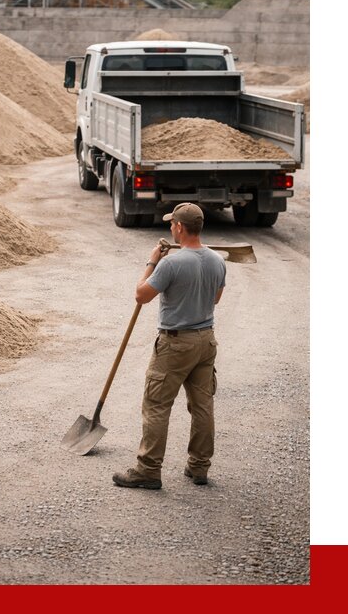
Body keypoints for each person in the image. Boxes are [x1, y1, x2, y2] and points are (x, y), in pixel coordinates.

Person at [112, 202, 226, 491]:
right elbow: (215, 299)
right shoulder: (217, 260)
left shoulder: (170, 263)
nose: (170, 228)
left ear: (179, 227)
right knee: (202, 406)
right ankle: (199, 467)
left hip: (175, 344)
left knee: (157, 405)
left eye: (171, 224)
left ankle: (148, 470)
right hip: (205, 340)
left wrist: (152, 261)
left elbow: (141, 295)